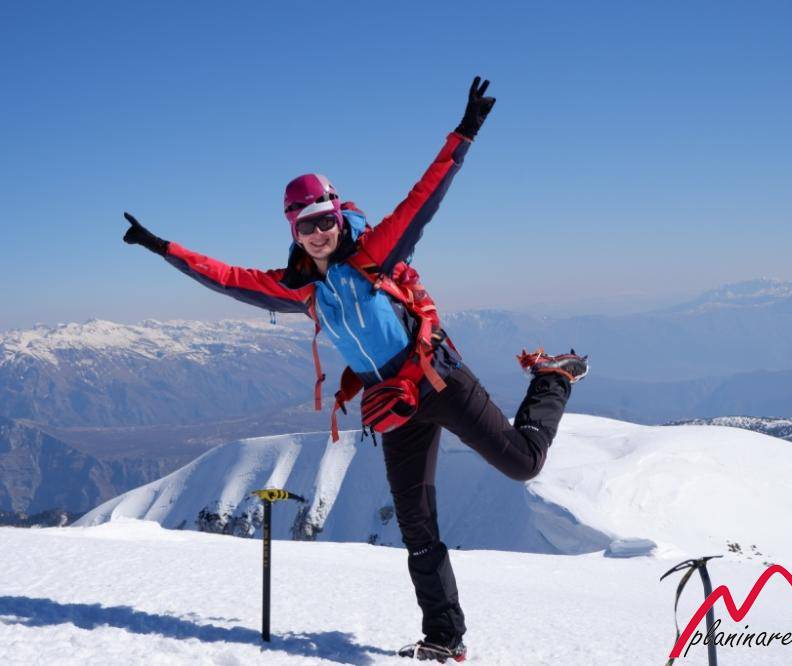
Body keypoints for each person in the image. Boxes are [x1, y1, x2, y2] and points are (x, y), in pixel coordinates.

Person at [122, 77, 587, 663]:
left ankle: (552, 377)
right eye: (306, 226)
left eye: (325, 220)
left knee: (523, 464)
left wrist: (464, 132)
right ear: (293, 232)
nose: (319, 233)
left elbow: (424, 198)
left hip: (439, 379)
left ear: (339, 215)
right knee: (416, 527)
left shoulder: (375, 254)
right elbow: (228, 278)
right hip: (393, 405)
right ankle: (445, 639)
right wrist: (163, 248)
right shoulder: (298, 289)